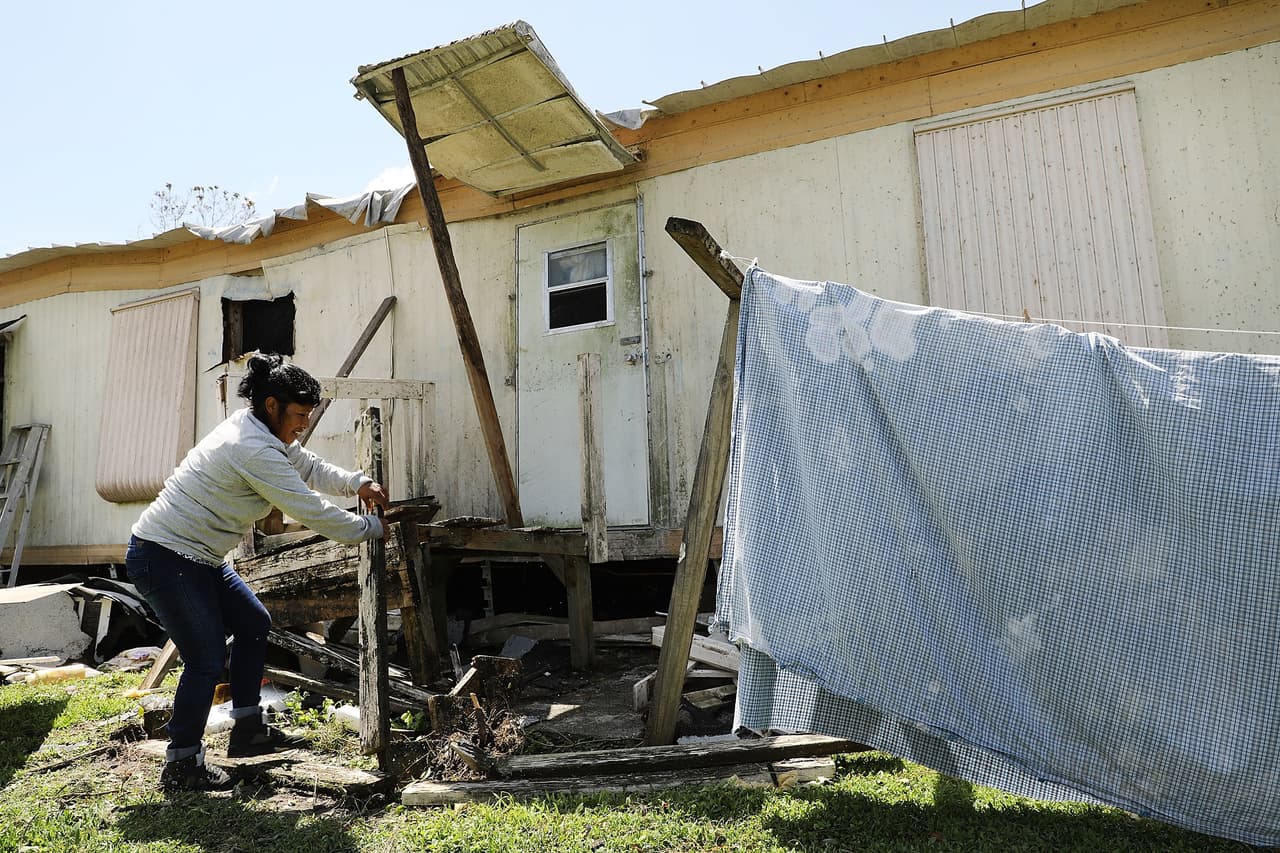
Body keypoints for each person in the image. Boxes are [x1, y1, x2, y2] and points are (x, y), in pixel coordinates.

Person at [125, 352, 390, 791]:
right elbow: (310, 508)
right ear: (272, 405)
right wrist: (371, 528)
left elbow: (305, 465)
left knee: (253, 623)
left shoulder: (262, 432)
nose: (303, 424)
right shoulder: (250, 447)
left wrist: (355, 482)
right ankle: (182, 763)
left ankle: (247, 731)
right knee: (206, 658)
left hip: (199, 557)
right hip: (165, 556)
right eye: (300, 415)